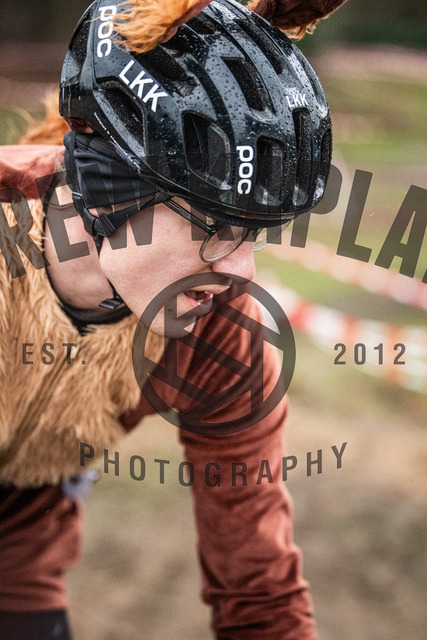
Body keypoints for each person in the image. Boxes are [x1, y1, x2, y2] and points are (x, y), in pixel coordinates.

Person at [0, 0, 348, 638]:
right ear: (110, 185)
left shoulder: (223, 328)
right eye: (216, 226)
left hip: (19, 563)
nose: (242, 273)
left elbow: (260, 589)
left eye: (255, 234)